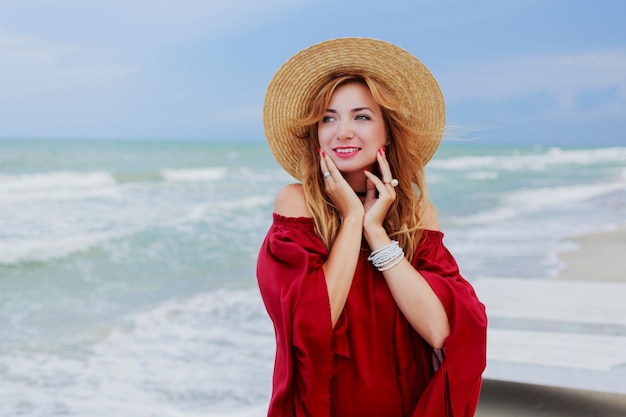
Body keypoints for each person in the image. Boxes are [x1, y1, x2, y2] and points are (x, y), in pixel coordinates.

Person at [257, 37, 487, 417]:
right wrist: (351, 220)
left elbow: (441, 331)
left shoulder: (417, 215)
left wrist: (376, 232)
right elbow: (312, 325)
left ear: (388, 131)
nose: (342, 131)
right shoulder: (297, 204)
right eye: (328, 118)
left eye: (361, 116)